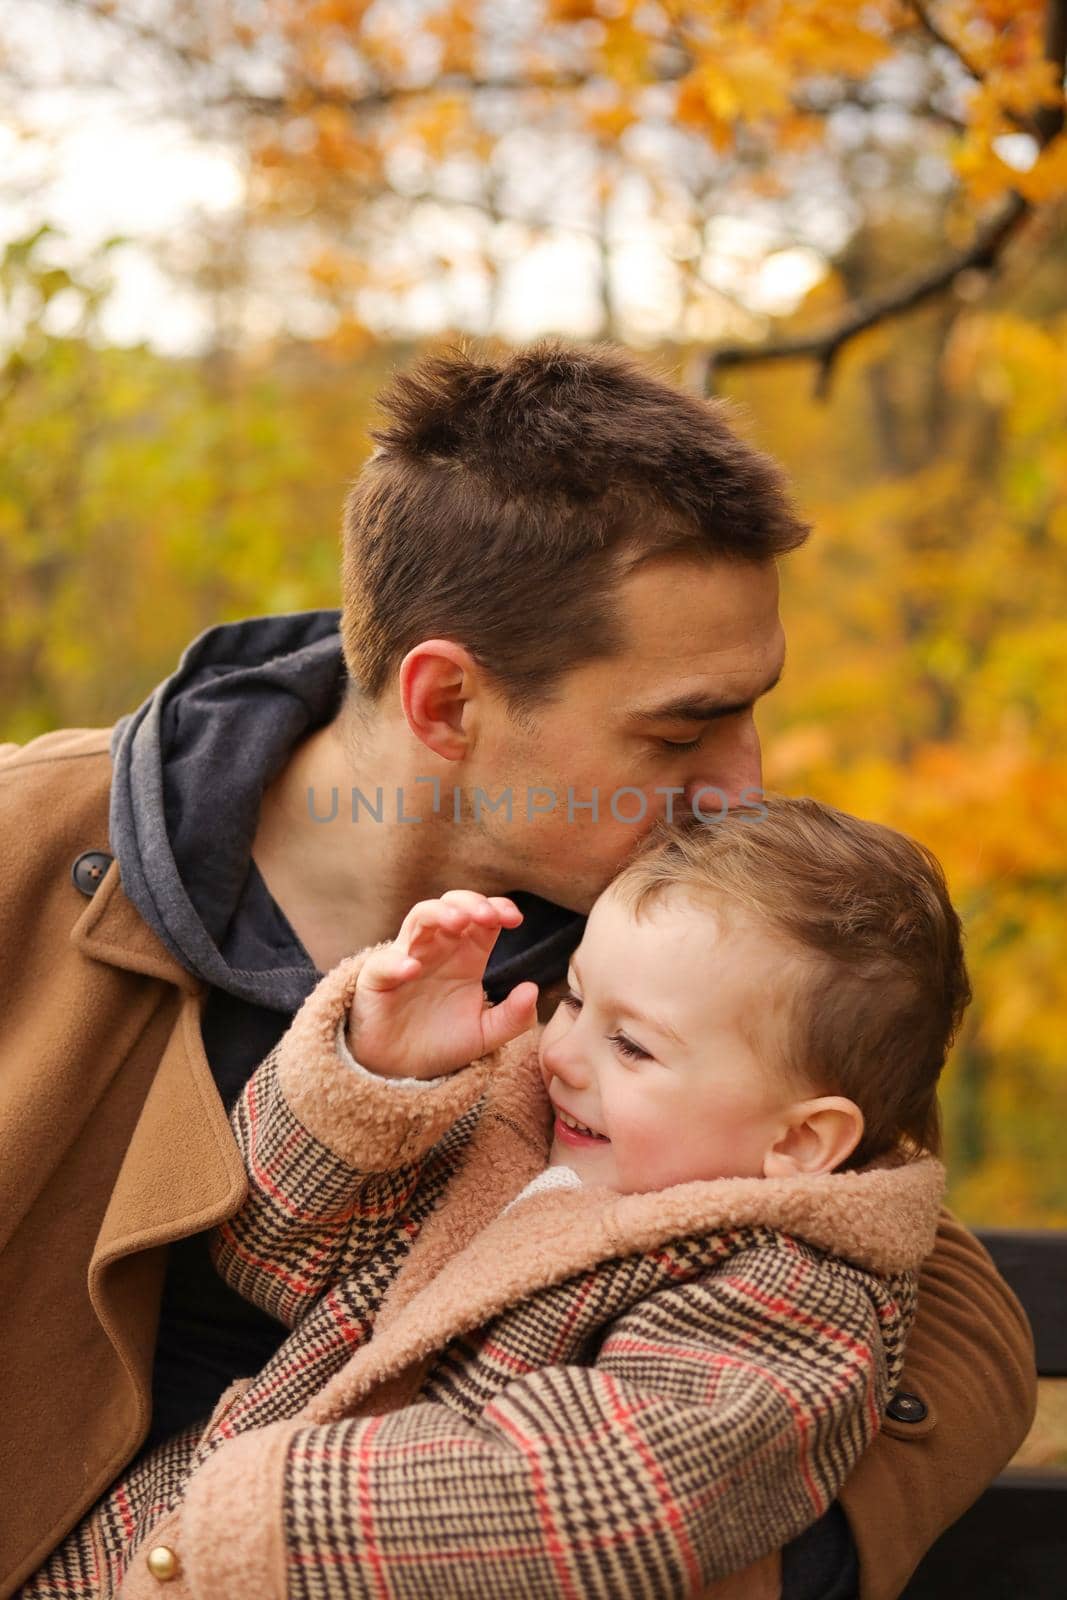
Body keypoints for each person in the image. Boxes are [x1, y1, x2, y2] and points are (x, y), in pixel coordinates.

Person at [0, 342, 1035, 1600]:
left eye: (751, 706)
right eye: (680, 726)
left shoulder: (681, 930)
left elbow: (945, 1310)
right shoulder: (34, 848)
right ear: (445, 704)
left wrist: (759, 1557)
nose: (743, 782)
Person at [20, 796, 960, 1598]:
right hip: (143, 1549)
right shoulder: (523, 1131)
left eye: (632, 1047)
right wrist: (379, 1079)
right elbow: (270, 1258)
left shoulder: (788, 1292)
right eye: (576, 1000)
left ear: (799, 1141)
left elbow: (605, 1493)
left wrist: (260, 1507)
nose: (562, 1052)